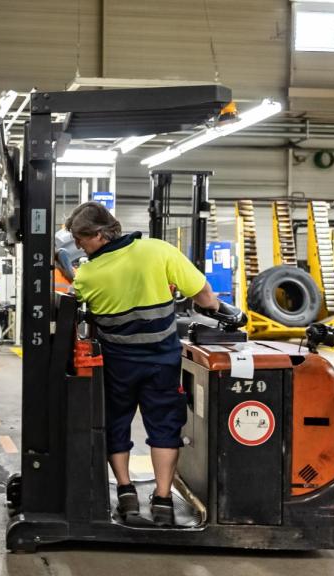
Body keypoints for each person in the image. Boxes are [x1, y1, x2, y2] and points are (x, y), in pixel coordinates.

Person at [65, 201, 223, 526]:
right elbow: (205, 297)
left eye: (80, 238)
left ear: (98, 235)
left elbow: (72, 311)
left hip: (118, 365)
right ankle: (162, 499)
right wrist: (224, 310)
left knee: (116, 424)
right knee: (165, 426)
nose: (78, 245)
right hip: (162, 361)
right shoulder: (158, 251)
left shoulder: (88, 276)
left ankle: (125, 492)